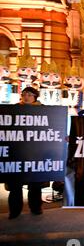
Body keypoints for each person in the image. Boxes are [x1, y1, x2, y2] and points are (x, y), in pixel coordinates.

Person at [6, 87, 45, 219]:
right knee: (15, 184)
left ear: (35, 96)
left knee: (35, 183)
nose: (26, 97)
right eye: (24, 94)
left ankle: (36, 207)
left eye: (29, 94)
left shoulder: (44, 110)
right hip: (18, 152)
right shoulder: (13, 109)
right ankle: (15, 210)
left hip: (36, 153)